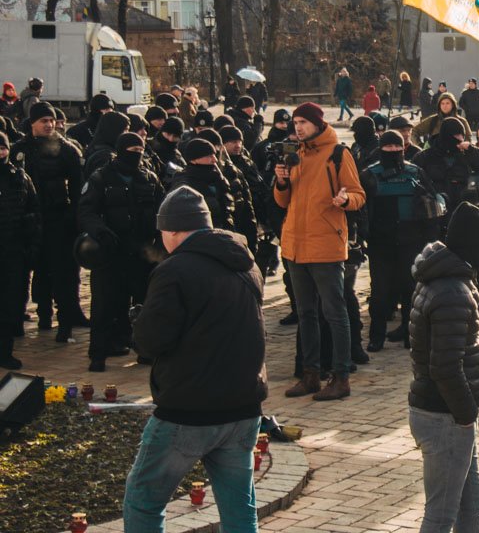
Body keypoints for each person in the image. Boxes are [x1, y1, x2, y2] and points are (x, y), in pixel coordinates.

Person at [124, 186, 267, 533]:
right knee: (239, 507)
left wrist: (140, 320)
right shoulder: (246, 263)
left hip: (189, 409)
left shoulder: (174, 270)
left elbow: (151, 341)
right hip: (243, 407)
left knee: (144, 499)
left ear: (172, 230)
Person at [408, 202, 479, 533]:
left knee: (471, 498)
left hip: (446, 413)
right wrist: (465, 415)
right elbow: (445, 367)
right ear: (473, 243)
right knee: (441, 513)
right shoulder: (452, 291)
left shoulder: (449, 278)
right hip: (445, 415)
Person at [275, 102, 366, 401]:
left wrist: (344, 200)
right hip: (294, 245)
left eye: (303, 122)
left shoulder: (338, 153)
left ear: (317, 123)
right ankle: (310, 375)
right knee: (306, 313)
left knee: (334, 312)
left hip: (325, 244)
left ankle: (341, 377)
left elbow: (358, 194)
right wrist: (281, 181)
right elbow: (283, 201)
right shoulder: (296, 154)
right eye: (295, 122)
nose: (297, 127)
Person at [77, 132, 165, 372]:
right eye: (132, 150)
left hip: (142, 255)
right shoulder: (100, 178)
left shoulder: (149, 178)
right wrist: (100, 231)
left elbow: (162, 210)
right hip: (110, 254)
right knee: (104, 307)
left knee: (145, 307)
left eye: (140, 150)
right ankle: (98, 354)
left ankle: (144, 351)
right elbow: (86, 212)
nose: (136, 154)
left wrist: (159, 241)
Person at [11, 101, 85, 340]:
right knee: (33, 270)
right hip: (29, 220)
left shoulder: (67, 150)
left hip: (58, 219)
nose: (49, 124)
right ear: (32, 123)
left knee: (62, 271)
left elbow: (76, 186)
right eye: (44, 120)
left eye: (51, 120)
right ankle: (40, 314)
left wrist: (74, 215)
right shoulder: (20, 149)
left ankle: (64, 322)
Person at [358, 130, 439, 351]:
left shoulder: (416, 172)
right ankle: (376, 336)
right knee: (380, 293)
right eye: (389, 147)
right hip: (380, 243)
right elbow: (360, 209)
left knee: (411, 290)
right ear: (381, 149)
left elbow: (432, 204)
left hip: (411, 241)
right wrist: (364, 236)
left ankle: (410, 333)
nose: (393, 151)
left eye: (397, 147)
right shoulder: (369, 175)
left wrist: (429, 239)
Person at [0, 131, 39, 369]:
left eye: (2, 148)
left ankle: (5, 351)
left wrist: (32, 245)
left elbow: (33, 212)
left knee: (9, 305)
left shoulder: (19, 177)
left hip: (13, 251)